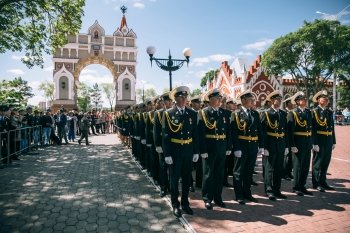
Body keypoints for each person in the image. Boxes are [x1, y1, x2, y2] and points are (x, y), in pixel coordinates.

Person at [162, 86, 199, 218]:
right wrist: (167, 154)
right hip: (175, 151)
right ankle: (175, 204)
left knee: (186, 179)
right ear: (176, 99)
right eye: (181, 97)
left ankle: (185, 203)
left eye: (185, 97)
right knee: (174, 179)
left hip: (188, 150)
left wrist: (196, 152)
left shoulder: (192, 114)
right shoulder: (168, 114)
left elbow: (195, 134)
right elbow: (166, 136)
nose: (183, 100)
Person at [198, 88, 231, 210]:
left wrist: (228, 146)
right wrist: (202, 150)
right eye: (217, 98)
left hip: (221, 146)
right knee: (208, 174)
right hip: (209, 147)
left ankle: (218, 197)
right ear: (211, 99)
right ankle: (207, 198)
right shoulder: (203, 113)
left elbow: (229, 132)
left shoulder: (225, 113)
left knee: (219, 173)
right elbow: (200, 133)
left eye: (220, 98)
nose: (220, 100)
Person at [230, 90, 264, 205]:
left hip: (253, 146)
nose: (253, 101)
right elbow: (233, 133)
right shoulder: (236, 114)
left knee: (249, 172)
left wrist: (261, 145)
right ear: (243, 100)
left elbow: (260, 131)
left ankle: (247, 193)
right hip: (242, 146)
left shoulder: (255, 113)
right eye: (250, 99)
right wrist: (236, 148)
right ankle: (239, 195)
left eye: (253, 99)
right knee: (239, 171)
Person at [260, 90, 289, 200]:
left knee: (279, 168)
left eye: (280, 99)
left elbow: (285, 131)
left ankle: (277, 190)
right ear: (272, 100)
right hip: (270, 143)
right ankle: (269, 190)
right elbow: (262, 132)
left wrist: (286, 146)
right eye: (277, 99)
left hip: (280, 143)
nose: (279, 101)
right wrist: (264, 147)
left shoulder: (283, 114)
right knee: (269, 168)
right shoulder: (266, 113)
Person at [287, 91, 314, 196]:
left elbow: (311, 128)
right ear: (297, 101)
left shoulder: (308, 112)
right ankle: (296, 187)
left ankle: (302, 186)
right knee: (297, 166)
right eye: (302, 99)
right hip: (298, 142)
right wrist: (292, 145)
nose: (305, 101)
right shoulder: (292, 113)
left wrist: (311, 142)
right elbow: (290, 131)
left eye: (305, 99)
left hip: (307, 142)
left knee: (305, 166)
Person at [311, 90, 336, 192]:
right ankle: (316, 183)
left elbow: (332, 128)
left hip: (328, 139)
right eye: (323, 98)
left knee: (326, 162)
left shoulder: (329, 112)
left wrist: (334, 141)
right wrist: (314, 143)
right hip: (319, 140)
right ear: (318, 100)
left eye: (326, 98)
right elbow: (313, 129)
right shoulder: (314, 112)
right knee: (318, 162)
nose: (325, 99)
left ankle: (323, 181)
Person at [154, 92, 171, 197]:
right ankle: (163, 187)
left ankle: (171, 187)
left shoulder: (174, 112)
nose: (168, 103)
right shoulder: (158, 113)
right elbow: (156, 130)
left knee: (173, 169)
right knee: (163, 167)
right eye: (166, 101)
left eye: (169, 101)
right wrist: (158, 145)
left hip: (173, 144)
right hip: (162, 144)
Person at [282, 97, 294, 180]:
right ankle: (284, 173)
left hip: (292, 137)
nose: (293, 104)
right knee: (286, 157)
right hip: (286, 137)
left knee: (291, 157)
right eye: (291, 102)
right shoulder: (284, 113)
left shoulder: (293, 112)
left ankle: (289, 172)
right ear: (288, 103)